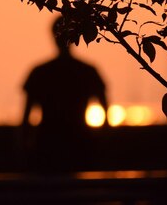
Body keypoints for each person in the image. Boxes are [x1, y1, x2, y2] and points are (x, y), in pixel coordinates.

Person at [21, 16, 108, 171]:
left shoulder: (40, 73)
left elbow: (26, 118)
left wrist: (24, 147)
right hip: (80, 143)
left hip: (47, 144)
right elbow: (106, 116)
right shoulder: (88, 71)